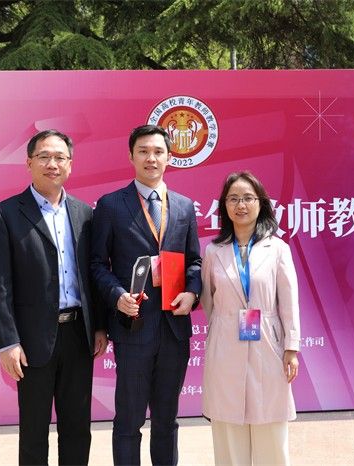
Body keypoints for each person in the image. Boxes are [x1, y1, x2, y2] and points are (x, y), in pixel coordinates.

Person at [0, 129, 107, 465]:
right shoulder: (5, 215)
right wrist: (7, 342)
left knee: (77, 428)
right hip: (31, 339)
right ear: (29, 163)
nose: (53, 164)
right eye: (44, 157)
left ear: (70, 164)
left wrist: (99, 326)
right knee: (34, 430)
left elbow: (92, 274)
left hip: (78, 335)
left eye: (60, 157)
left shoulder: (85, 214)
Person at [90, 124, 202, 466]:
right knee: (129, 420)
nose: (150, 158)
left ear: (169, 158)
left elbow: (194, 261)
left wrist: (192, 293)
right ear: (131, 156)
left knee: (167, 421)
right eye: (143, 151)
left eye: (157, 152)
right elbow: (97, 264)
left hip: (174, 329)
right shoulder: (111, 205)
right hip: (133, 328)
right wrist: (117, 296)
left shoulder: (184, 206)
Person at [200, 171, 301, 465]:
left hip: (268, 344)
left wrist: (291, 347)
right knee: (228, 431)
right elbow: (208, 300)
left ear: (261, 203)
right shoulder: (213, 251)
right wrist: (226, 323)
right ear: (224, 206)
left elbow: (289, 302)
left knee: (270, 429)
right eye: (233, 199)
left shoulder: (277, 249)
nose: (240, 205)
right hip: (225, 344)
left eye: (247, 198)